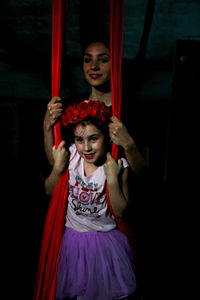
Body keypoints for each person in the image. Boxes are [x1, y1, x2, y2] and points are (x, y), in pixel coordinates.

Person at [45, 100, 137, 300]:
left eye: (93, 138)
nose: (86, 147)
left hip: (104, 244)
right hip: (72, 241)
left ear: (108, 138)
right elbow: (49, 190)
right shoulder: (71, 158)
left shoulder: (117, 164)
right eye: (79, 139)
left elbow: (121, 211)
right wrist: (57, 167)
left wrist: (112, 178)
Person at [43, 38, 147, 175]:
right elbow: (56, 164)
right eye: (87, 60)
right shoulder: (71, 107)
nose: (93, 66)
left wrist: (128, 144)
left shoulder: (132, 110)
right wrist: (47, 126)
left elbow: (144, 173)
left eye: (103, 60)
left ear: (116, 64)